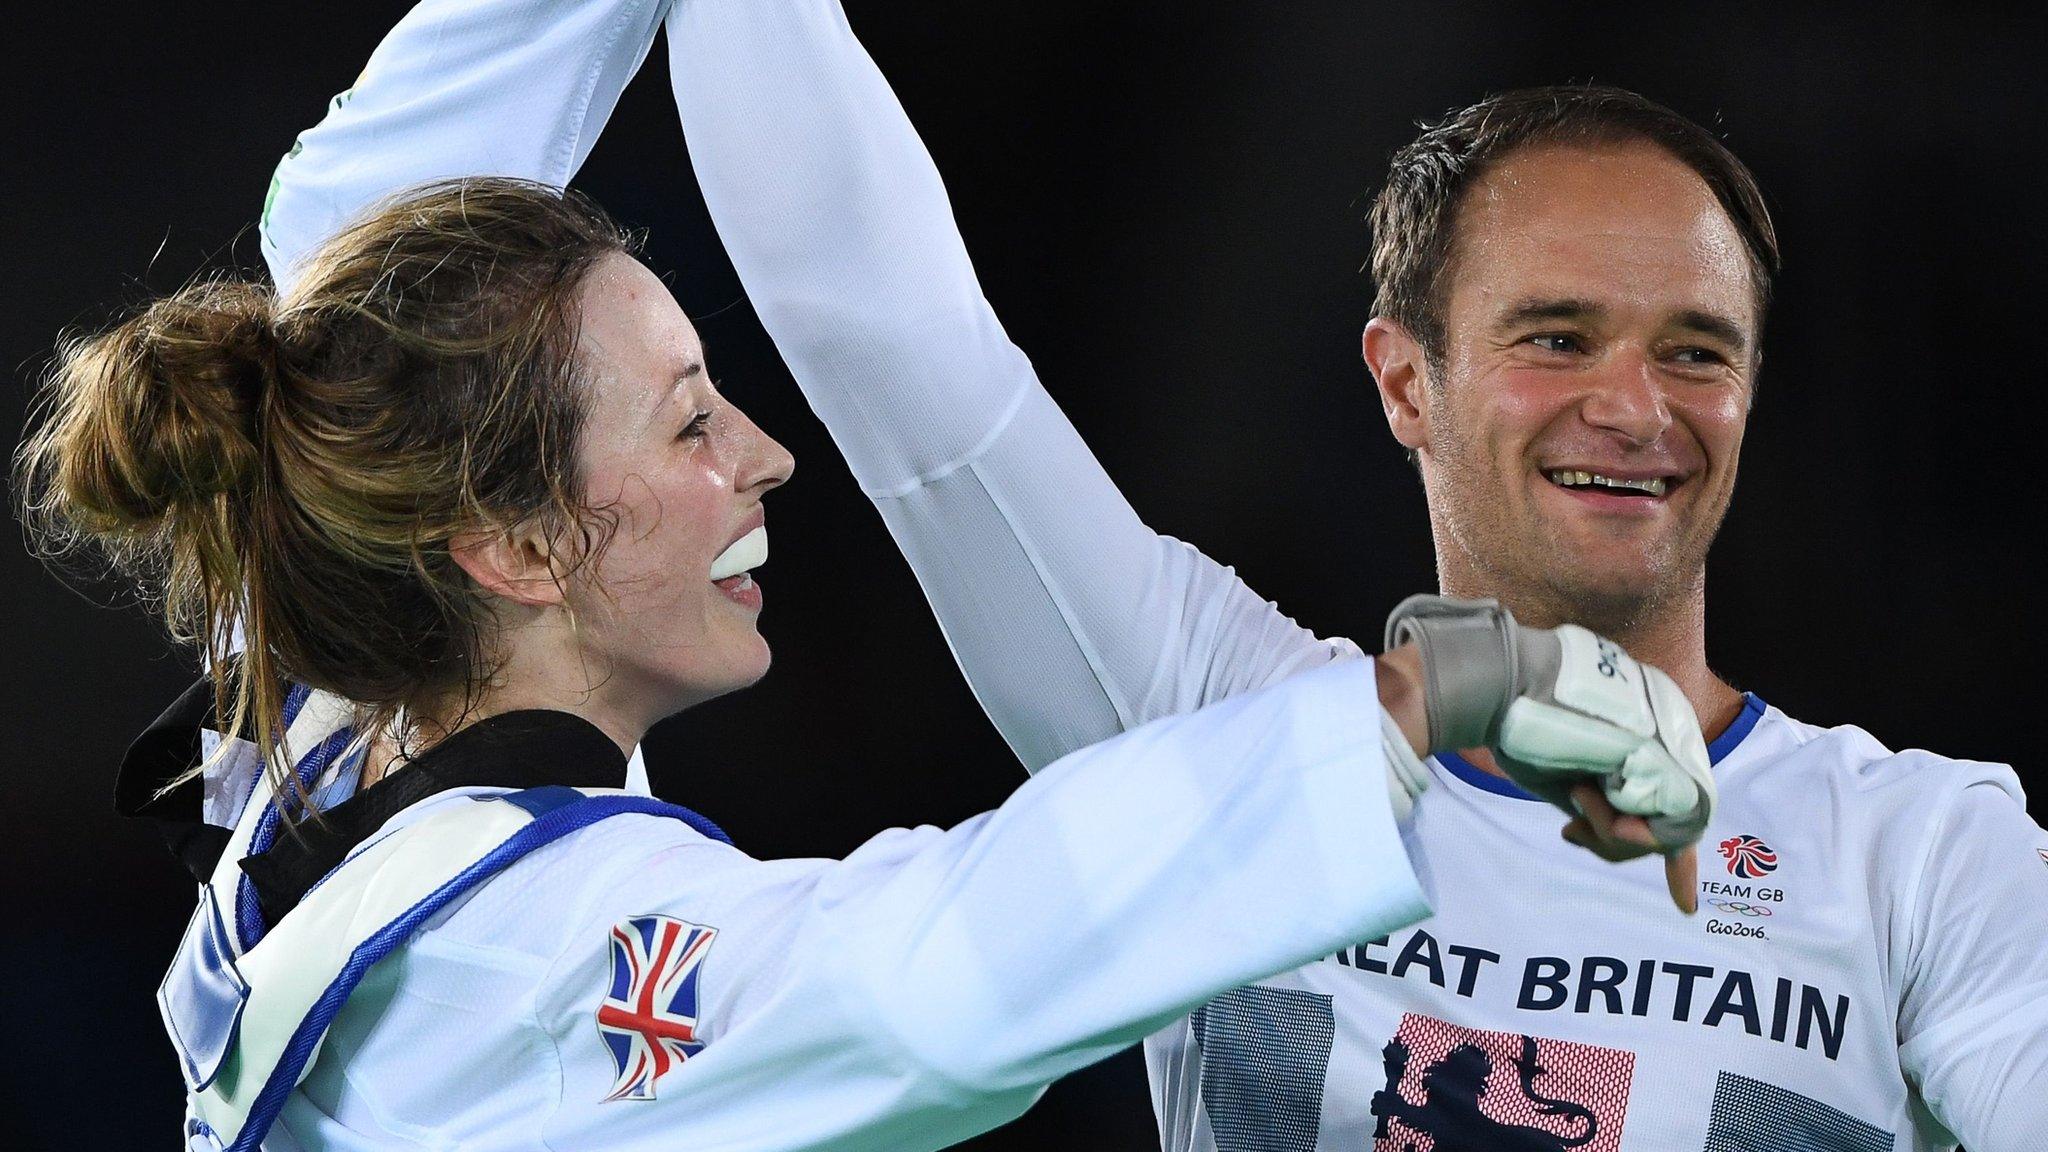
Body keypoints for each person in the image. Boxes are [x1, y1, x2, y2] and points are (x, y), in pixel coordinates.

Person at [251, 0, 2048, 1148]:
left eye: (1700, 351)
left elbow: (348, 271)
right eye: (1555, 334)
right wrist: (1439, 694)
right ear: (1399, 375)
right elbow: (890, 335)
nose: (1632, 406)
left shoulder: (1931, 849)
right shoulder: (1208, 707)